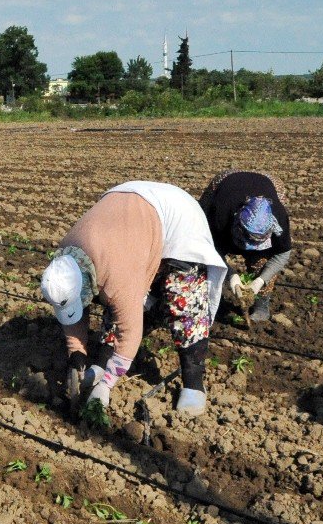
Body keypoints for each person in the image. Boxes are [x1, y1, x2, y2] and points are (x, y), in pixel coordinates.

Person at [41, 181, 227, 418]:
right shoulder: (66, 256)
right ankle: (101, 360)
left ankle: (193, 384)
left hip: (178, 217)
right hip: (130, 213)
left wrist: (107, 384)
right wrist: (77, 352)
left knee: (183, 303)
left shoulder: (118, 272)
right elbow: (72, 305)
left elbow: (130, 330)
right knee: (114, 299)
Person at [199, 169, 292, 322]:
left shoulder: (279, 218)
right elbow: (209, 249)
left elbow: (282, 253)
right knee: (202, 257)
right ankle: (212, 297)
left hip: (268, 181)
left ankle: (262, 305)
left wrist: (260, 281)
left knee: (261, 261)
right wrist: (231, 275)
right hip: (225, 181)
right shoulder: (219, 217)